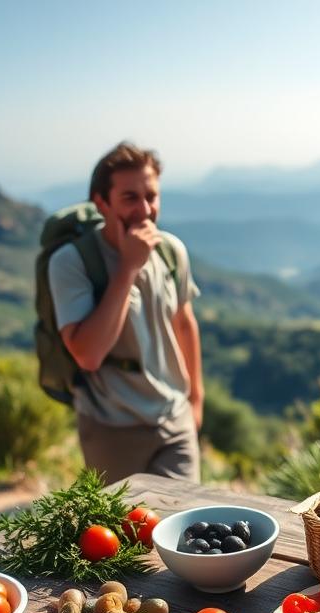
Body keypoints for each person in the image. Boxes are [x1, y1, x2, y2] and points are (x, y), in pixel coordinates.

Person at [47, 142, 203, 484]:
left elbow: (184, 324)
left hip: (173, 421)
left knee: (182, 529)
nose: (145, 210)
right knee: (124, 533)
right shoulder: (72, 263)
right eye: (130, 198)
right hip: (111, 428)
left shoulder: (171, 251)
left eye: (152, 196)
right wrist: (128, 268)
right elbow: (87, 355)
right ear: (101, 202)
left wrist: (195, 402)